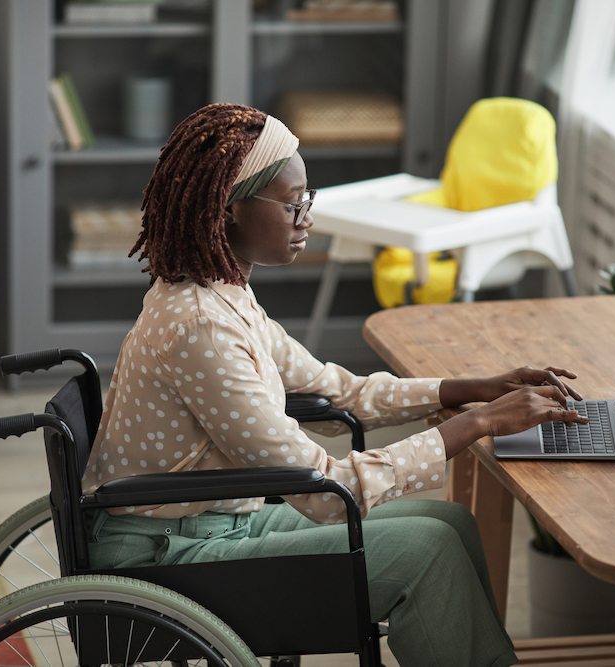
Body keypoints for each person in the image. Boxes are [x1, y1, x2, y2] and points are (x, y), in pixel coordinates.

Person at [82, 103, 588, 667]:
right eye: (292, 203)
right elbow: (325, 493)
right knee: (427, 551)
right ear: (229, 209)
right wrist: (480, 423)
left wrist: (473, 388)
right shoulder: (202, 326)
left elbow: (338, 391)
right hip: (165, 557)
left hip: (213, 525)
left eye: (309, 199)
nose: (307, 218)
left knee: (452, 522)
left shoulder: (224, 296)